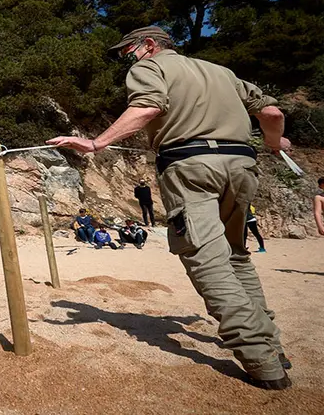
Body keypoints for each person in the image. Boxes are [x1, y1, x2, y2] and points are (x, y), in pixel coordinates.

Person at [47, 26, 293, 390]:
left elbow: (147, 107)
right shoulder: (222, 72)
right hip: (242, 166)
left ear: (149, 45)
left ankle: (261, 357)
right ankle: (272, 344)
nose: (124, 59)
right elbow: (271, 113)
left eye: (126, 51)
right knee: (237, 257)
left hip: (190, 167)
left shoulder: (150, 67)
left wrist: (97, 143)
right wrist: (274, 143)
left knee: (206, 260)